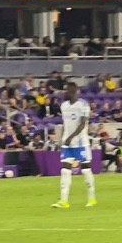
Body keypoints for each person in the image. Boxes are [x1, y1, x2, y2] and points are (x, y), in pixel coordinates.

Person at [54, 80, 96, 209]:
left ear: (72, 91)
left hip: (80, 142)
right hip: (67, 143)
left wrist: (71, 137)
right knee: (65, 170)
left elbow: (82, 124)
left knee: (86, 169)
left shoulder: (83, 105)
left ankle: (91, 198)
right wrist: (62, 139)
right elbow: (66, 125)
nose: (64, 92)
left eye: (66, 90)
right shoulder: (64, 105)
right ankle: (64, 200)